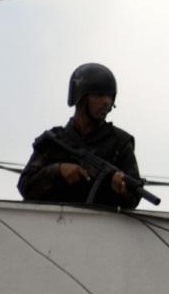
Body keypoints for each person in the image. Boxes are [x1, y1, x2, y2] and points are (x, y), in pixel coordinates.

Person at [18, 62, 143, 210]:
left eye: (110, 97)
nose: (106, 102)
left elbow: (134, 199)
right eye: (99, 95)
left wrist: (121, 189)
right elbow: (25, 186)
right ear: (81, 98)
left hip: (101, 228)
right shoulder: (53, 141)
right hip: (52, 225)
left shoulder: (120, 143)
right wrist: (58, 170)